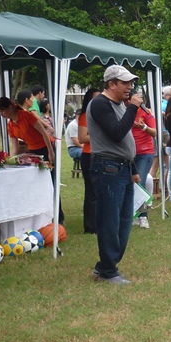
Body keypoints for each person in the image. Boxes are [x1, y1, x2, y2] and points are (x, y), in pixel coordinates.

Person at [85, 65, 143, 285]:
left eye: (131, 82)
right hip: (108, 168)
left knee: (124, 220)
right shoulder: (100, 104)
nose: (130, 87)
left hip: (122, 168)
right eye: (125, 83)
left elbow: (124, 139)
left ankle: (105, 266)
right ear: (111, 84)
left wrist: (133, 169)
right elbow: (117, 133)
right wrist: (133, 108)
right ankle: (108, 270)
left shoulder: (118, 105)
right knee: (110, 221)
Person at [0, 95, 56, 166]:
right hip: (32, 150)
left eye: (2, 111)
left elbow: (44, 132)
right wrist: (10, 161)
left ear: (10, 107)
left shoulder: (26, 116)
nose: (1, 114)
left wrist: (50, 152)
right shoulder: (10, 125)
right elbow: (15, 148)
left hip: (46, 146)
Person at [130, 92, 158, 229]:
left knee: (139, 182)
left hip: (144, 153)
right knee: (129, 184)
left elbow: (154, 132)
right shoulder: (124, 112)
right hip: (128, 153)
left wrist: (144, 127)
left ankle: (143, 216)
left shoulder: (146, 113)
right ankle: (133, 215)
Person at [76, 88, 101, 234]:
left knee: (99, 191)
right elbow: (81, 137)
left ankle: (99, 222)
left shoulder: (102, 114)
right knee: (92, 191)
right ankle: (90, 226)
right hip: (89, 155)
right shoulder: (85, 116)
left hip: (101, 154)